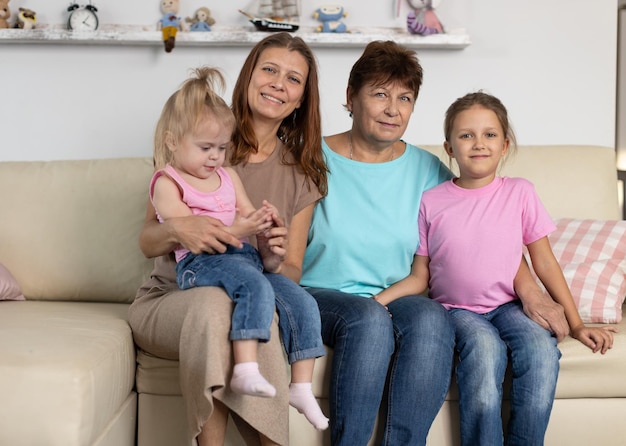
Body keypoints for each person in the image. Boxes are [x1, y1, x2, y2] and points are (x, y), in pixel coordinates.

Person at [299, 40, 571, 446]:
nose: (393, 108)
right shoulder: (311, 157)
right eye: (380, 94)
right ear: (351, 98)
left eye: (405, 98)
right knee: (369, 321)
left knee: (430, 319)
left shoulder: (428, 171)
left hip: (402, 292)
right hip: (326, 295)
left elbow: (479, 233)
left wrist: (529, 288)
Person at [375, 91, 617, 445]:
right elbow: (420, 276)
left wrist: (577, 323)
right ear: (449, 147)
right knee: (486, 352)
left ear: (504, 146)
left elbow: (544, 262)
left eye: (489, 135)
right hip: (456, 311)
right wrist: (377, 302)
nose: (478, 144)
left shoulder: (520, 193)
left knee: (541, 350)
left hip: (509, 307)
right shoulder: (432, 201)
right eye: (466, 135)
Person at [129, 32, 328, 445]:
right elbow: (148, 242)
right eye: (269, 70)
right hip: (170, 296)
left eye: (293, 79)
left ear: (301, 99)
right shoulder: (199, 140)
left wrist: (270, 257)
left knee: (251, 301)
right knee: (216, 304)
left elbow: (287, 269)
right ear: (248, 77)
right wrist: (177, 229)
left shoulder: (300, 174)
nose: (278, 83)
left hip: (250, 283)